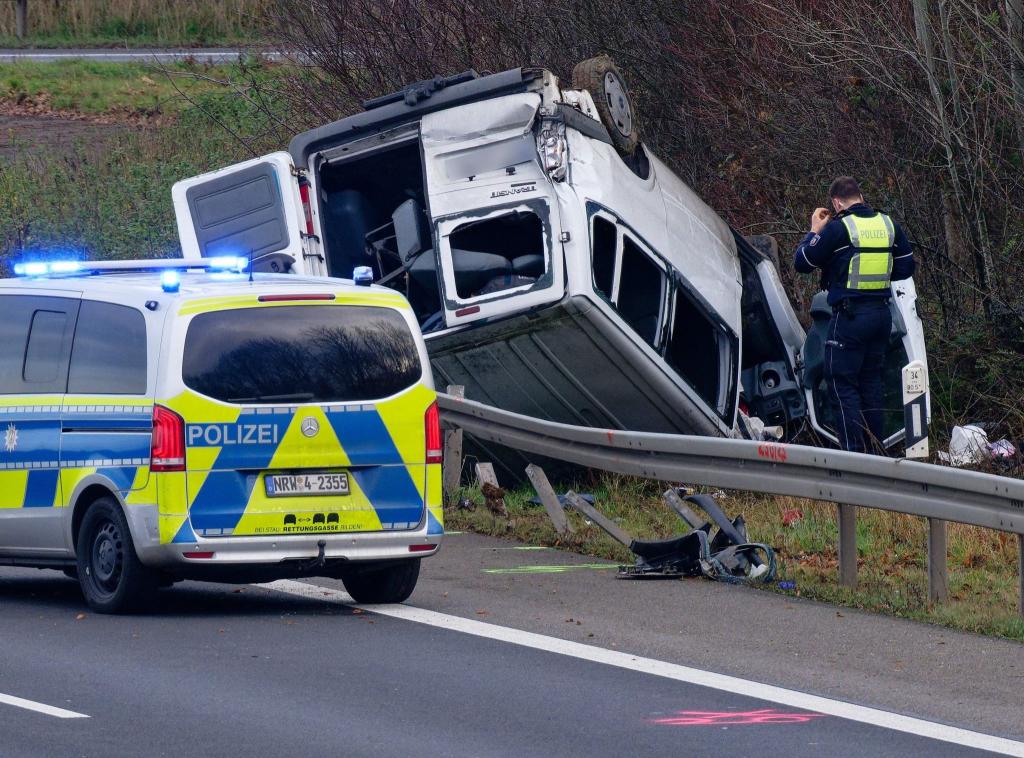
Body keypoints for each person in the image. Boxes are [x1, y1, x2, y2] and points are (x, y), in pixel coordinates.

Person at [793, 176, 915, 453]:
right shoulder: (888, 224)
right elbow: (906, 268)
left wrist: (814, 230)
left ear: (836, 203)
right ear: (860, 195)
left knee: (841, 383)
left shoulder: (837, 229)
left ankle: (854, 459)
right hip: (881, 318)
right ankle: (876, 454)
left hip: (850, 318)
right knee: (871, 382)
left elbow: (802, 262)